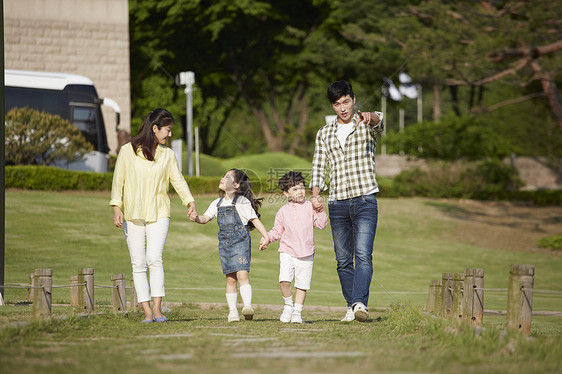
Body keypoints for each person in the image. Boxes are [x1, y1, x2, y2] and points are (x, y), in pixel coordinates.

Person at [110, 108, 197, 323]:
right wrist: (116, 207)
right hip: (132, 214)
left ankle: (158, 311)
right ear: (155, 129)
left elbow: (178, 180)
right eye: (167, 130)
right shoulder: (127, 151)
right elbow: (117, 181)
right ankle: (146, 312)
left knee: (154, 259)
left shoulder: (168, 155)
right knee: (138, 263)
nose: (170, 135)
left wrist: (190, 202)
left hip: (159, 213)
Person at [310, 80, 384, 322]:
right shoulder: (324, 133)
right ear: (332, 106)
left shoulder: (365, 124)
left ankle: (360, 303)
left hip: (365, 199)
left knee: (363, 254)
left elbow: (379, 122)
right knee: (342, 260)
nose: (342, 108)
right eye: (336, 104)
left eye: (346, 102)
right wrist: (315, 193)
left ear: (353, 99)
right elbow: (319, 165)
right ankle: (352, 305)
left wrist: (370, 116)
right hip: (338, 202)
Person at [190, 169, 270, 322]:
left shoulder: (243, 202)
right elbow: (205, 218)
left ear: (236, 185)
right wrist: (195, 218)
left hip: (241, 242)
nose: (222, 178)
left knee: (242, 275)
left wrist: (265, 236)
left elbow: (254, 220)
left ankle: (247, 306)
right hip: (225, 246)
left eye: (227, 177)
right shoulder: (217, 203)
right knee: (230, 279)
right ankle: (233, 312)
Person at [259, 171, 328, 323]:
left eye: (302, 187)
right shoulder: (283, 211)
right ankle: (288, 306)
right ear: (286, 193)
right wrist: (267, 238)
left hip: (306, 253)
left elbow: (322, 225)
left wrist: (321, 210)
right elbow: (277, 231)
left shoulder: (311, 207)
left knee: (302, 285)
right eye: (295, 189)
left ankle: (297, 312)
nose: (300, 192)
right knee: (284, 281)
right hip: (287, 251)